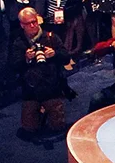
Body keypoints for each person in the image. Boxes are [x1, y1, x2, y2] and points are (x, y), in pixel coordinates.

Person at [11, 8, 70, 142]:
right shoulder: (19, 42)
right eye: (28, 23)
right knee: (29, 128)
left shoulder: (51, 37)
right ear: (22, 25)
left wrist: (55, 54)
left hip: (51, 87)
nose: (33, 26)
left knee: (57, 126)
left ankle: (47, 112)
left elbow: (66, 58)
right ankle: (39, 113)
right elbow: (13, 65)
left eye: (34, 22)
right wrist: (25, 58)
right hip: (31, 89)